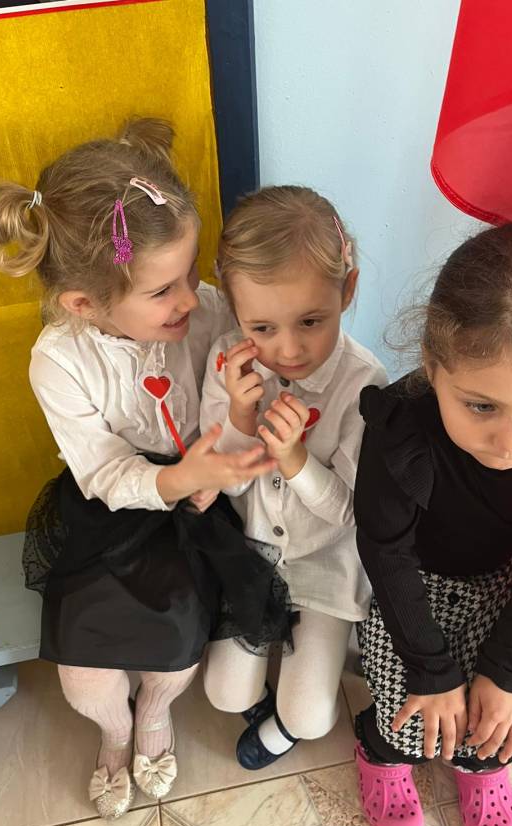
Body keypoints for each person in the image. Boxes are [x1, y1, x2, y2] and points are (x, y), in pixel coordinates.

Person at [0, 118, 290, 818]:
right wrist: (179, 480)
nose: (190, 298)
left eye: (191, 273)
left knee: (176, 652)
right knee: (84, 677)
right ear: (84, 303)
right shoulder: (59, 360)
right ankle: (114, 729)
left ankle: (154, 712)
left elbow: (231, 414)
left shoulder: (207, 315)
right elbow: (101, 472)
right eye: (162, 291)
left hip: (200, 501)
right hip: (114, 510)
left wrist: (228, 441)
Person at [354, 224, 512, 826]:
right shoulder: (400, 431)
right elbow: (385, 551)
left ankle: (479, 767)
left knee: (497, 717)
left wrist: (507, 673)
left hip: (509, 589)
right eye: (482, 406)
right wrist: (432, 673)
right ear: (433, 367)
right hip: (415, 588)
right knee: (408, 707)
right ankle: (381, 751)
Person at [201, 186, 387, 768]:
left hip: (326, 562)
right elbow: (225, 487)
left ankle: (285, 718)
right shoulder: (229, 363)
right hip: (254, 555)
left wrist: (296, 461)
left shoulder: (366, 385)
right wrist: (239, 420)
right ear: (235, 314)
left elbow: (352, 513)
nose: (288, 349)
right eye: (262, 327)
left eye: (311, 320)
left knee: (309, 717)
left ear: (347, 290)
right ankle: (264, 695)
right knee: (223, 693)